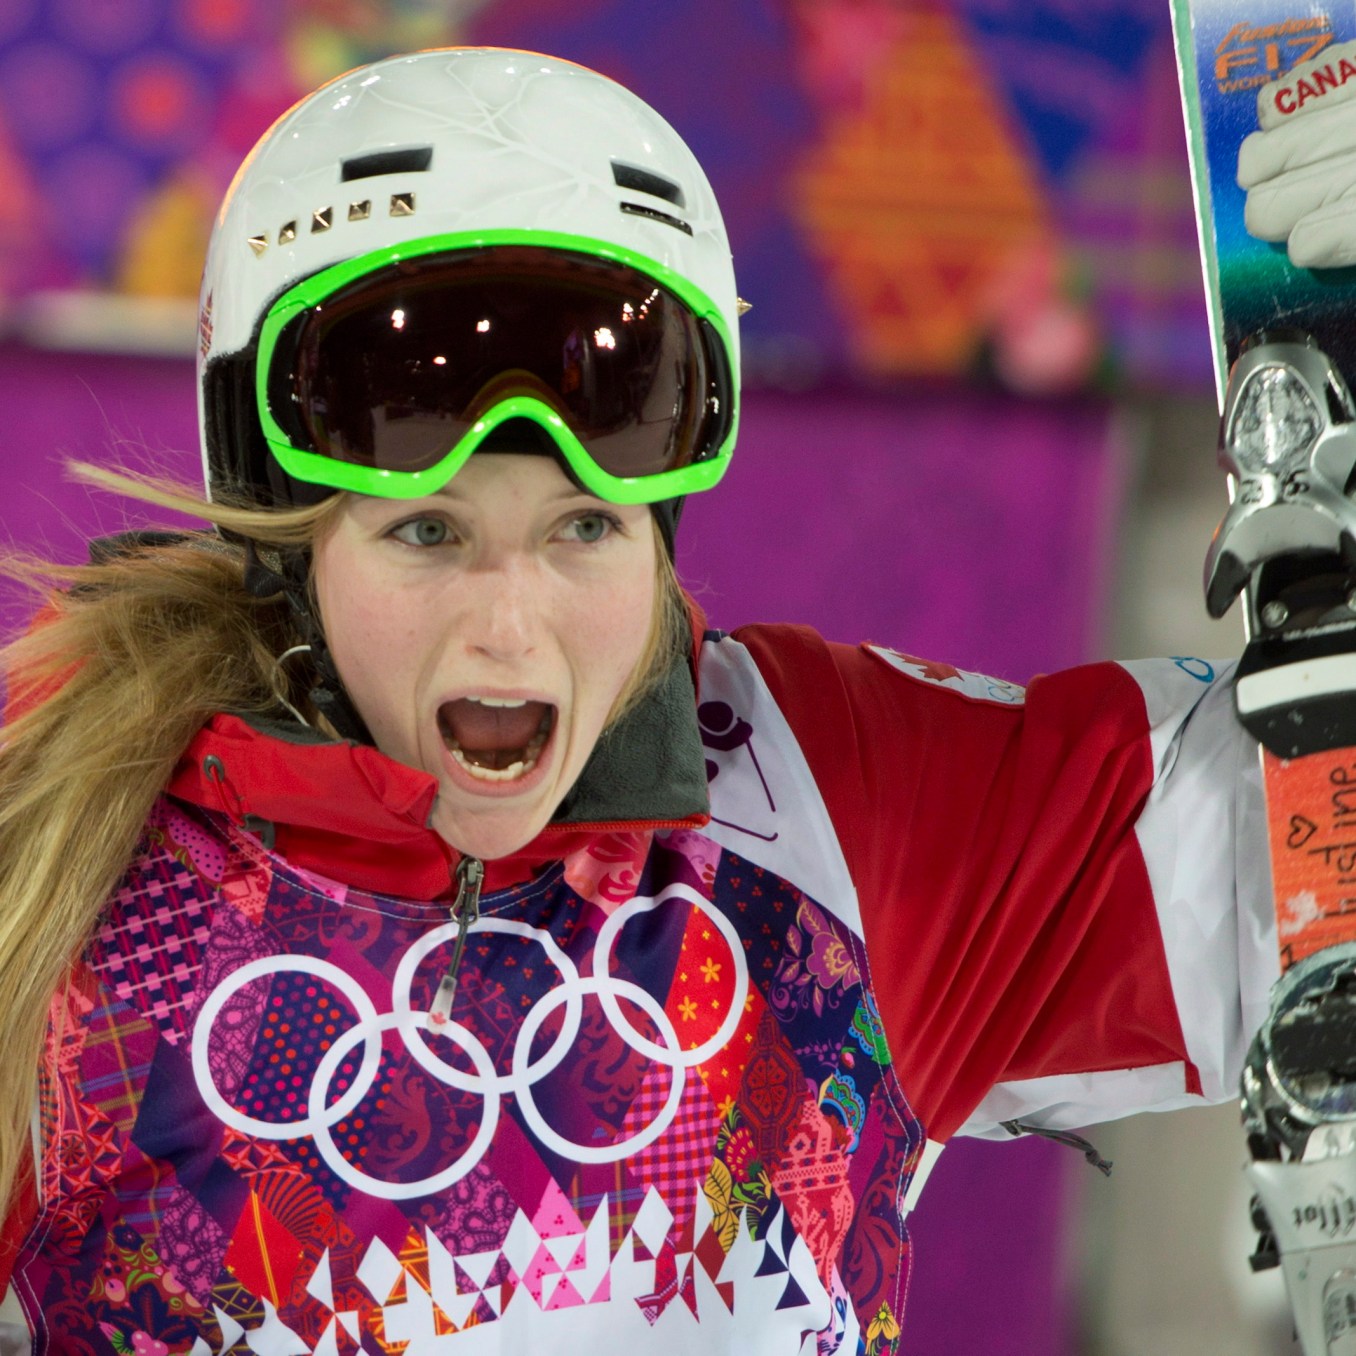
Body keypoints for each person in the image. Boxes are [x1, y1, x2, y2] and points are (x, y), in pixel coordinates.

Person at [0, 47, 1272, 1355]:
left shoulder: (840, 808)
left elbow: (1296, 867)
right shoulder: (61, 865)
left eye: (583, 531)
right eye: (428, 536)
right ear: (287, 539)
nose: (509, 628)